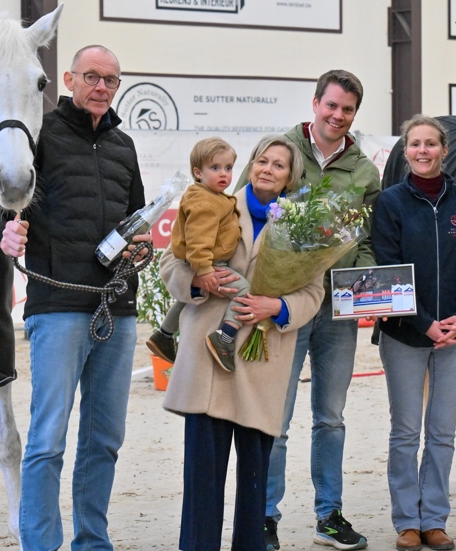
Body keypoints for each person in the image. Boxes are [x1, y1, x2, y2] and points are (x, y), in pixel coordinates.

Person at [0, 45, 150, 551]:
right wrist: (3, 235)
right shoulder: (38, 137)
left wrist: (141, 244)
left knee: (104, 442)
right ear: (68, 79)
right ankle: (41, 544)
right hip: (57, 309)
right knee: (48, 441)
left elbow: (134, 217)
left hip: (117, 309)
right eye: (91, 77)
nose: (101, 87)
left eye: (111, 80)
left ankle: (93, 542)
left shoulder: (125, 146)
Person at [234, 69, 380, 551]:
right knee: (275, 417)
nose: (338, 116)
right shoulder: (280, 151)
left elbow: (368, 237)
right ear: (315, 103)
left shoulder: (364, 170)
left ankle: (329, 515)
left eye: (348, 110)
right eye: (331, 105)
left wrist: (364, 283)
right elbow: (241, 209)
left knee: (331, 417)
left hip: (337, 310)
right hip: (281, 306)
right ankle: (264, 516)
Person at [159, 135, 324, 551]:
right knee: (202, 483)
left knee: (255, 489)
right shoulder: (214, 200)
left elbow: (314, 294)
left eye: (279, 165)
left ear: (291, 177)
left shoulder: (303, 226)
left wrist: (277, 305)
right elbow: (169, 262)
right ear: (250, 165)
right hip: (208, 365)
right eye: (262, 161)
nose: (268, 169)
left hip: (261, 363)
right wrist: (197, 280)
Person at [371, 115, 456, 551]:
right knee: (405, 432)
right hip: (405, 335)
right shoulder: (390, 203)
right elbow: (386, 269)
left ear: (443, 150)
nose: (423, 151)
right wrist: (424, 322)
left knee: (441, 431)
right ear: (406, 153)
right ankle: (407, 521)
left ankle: (434, 519)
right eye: (415, 144)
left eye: (430, 144)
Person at [146, 138, 251, 371]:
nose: (223, 174)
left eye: (228, 168)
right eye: (215, 168)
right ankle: (224, 338)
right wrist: (204, 270)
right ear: (198, 172)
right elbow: (198, 239)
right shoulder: (205, 202)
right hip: (211, 263)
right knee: (243, 292)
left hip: (207, 261)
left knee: (187, 298)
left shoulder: (211, 196)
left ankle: (163, 334)